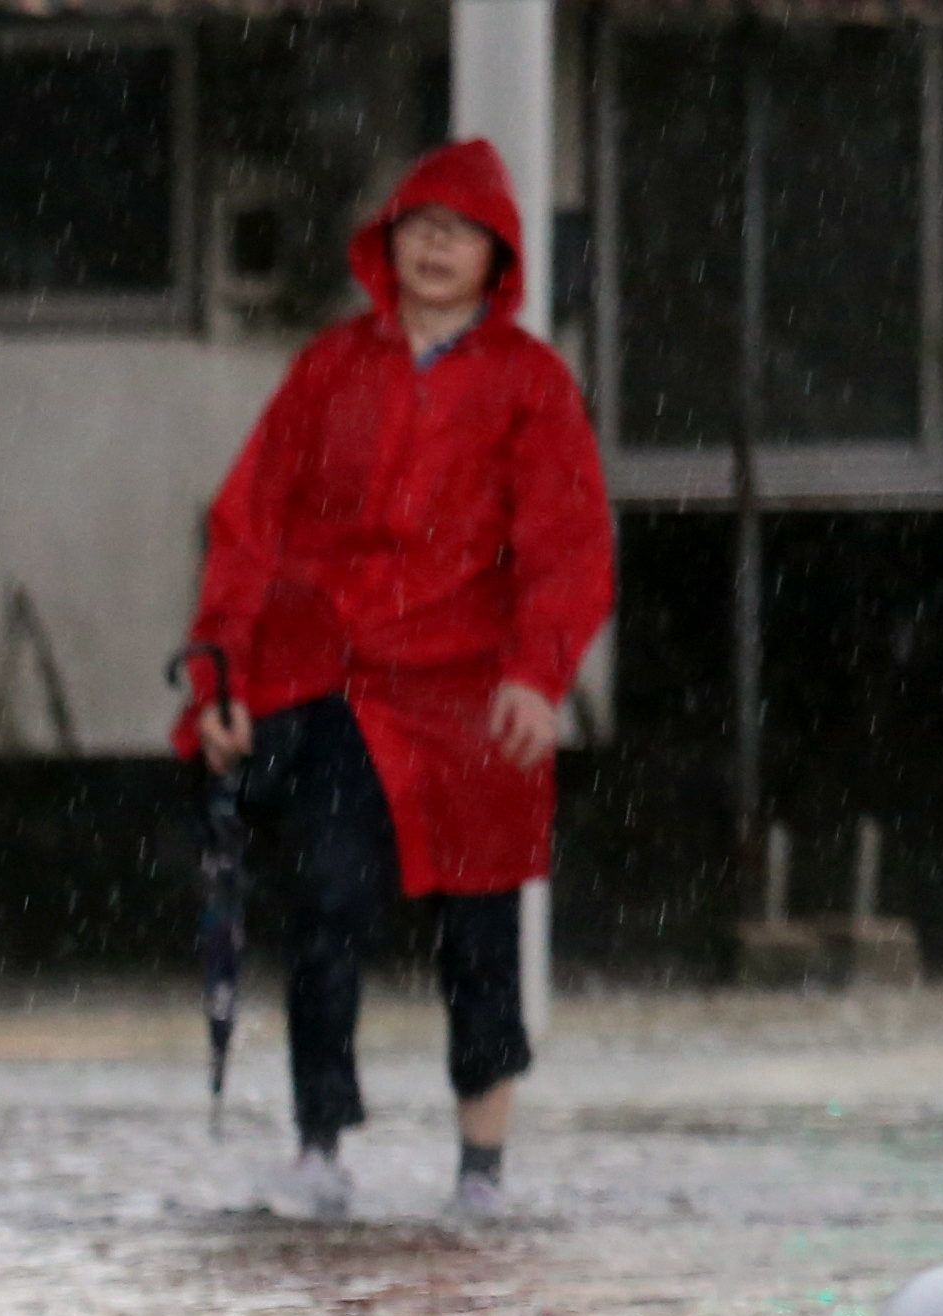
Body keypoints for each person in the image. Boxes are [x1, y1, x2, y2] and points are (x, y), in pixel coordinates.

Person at [180, 139, 611, 1221]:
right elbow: (246, 523)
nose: (433, 247)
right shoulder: (329, 367)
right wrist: (219, 672)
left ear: (494, 257)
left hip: (472, 699)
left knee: (479, 930)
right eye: (416, 226)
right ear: (386, 244)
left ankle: (481, 1172)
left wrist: (535, 673)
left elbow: (565, 544)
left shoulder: (529, 385)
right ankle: (318, 1147)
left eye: (457, 232)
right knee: (322, 908)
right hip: (336, 689)